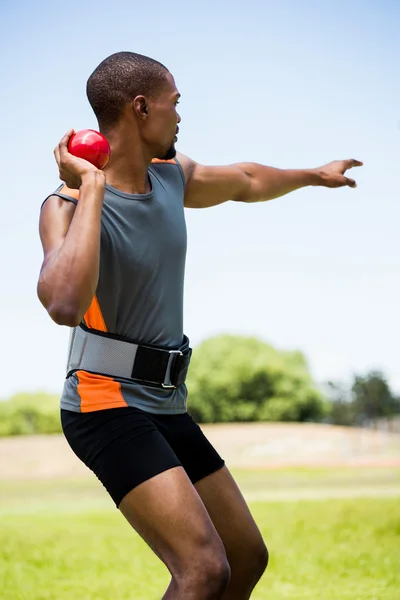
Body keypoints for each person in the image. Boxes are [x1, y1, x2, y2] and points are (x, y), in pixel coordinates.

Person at [38, 51, 362, 600]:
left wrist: (313, 175)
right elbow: (64, 303)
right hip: (103, 405)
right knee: (203, 569)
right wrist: (91, 186)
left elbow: (245, 179)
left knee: (245, 555)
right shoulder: (65, 205)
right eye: (175, 104)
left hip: (164, 403)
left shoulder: (171, 177)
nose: (181, 117)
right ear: (142, 108)